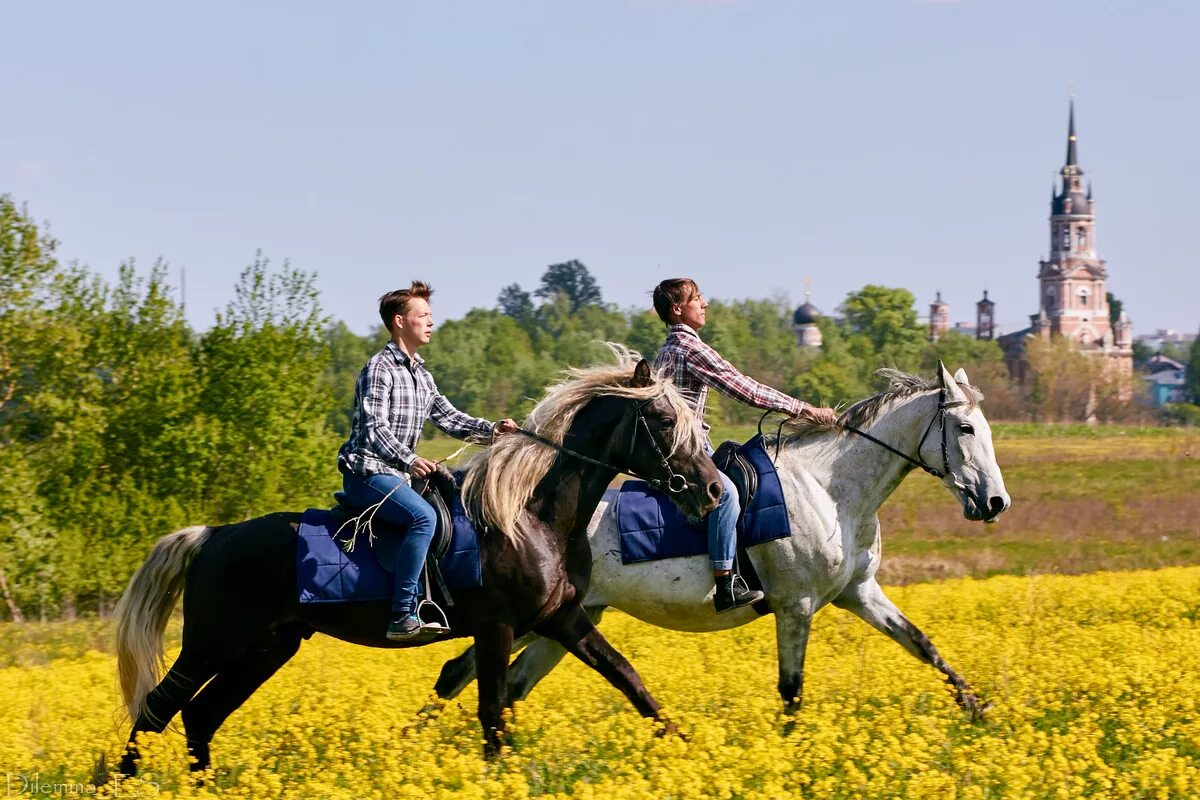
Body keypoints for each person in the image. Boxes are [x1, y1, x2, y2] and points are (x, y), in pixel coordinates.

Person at [337, 281, 518, 641]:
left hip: (398, 476)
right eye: (423, 316)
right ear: (399, 322)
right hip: (367, 473)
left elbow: (450, 418)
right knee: (424, 517)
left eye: (431, 316)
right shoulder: (379, 369)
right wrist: (409, 459)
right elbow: (374, 428)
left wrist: (494, 430)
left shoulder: (422, 374)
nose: (431, 323)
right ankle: (403, 613)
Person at [651, 278, 838, 613]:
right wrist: (804, 409)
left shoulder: (668, 347)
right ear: (678, 309)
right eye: (697, 298)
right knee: (727, 496)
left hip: (679, 450)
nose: (705, 303)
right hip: (688, 451)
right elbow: (744, 388)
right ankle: (726, 584)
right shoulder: (689, 348)